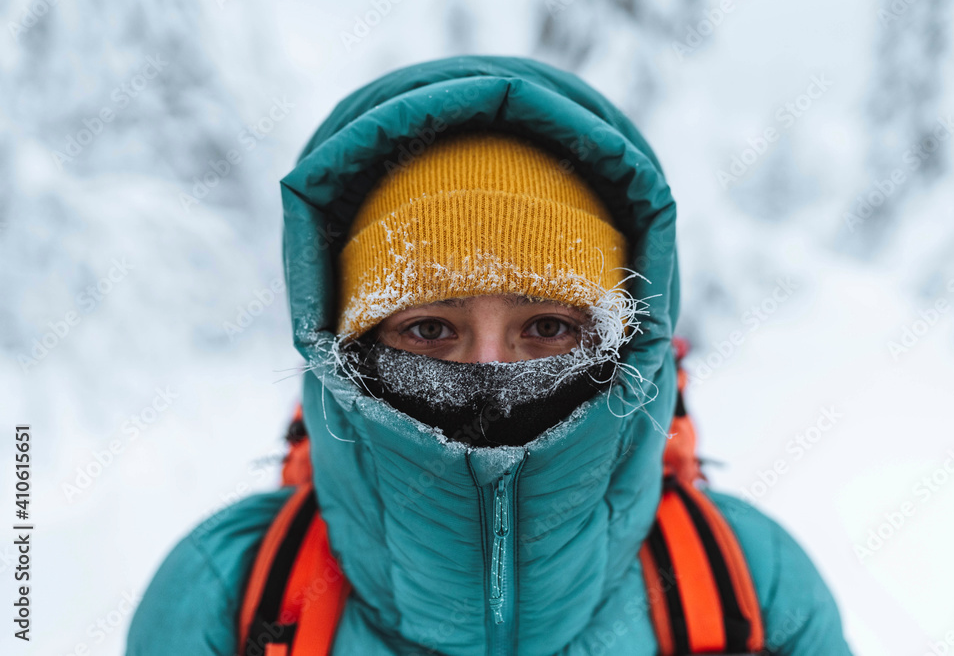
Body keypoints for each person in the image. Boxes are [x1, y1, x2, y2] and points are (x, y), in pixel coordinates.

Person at [127, 56, 852, 655]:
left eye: (547, 326)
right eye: (430, 329)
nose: (493, 371)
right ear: (344, 349)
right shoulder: (224, 597)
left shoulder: (751, 590)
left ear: (622, 342)